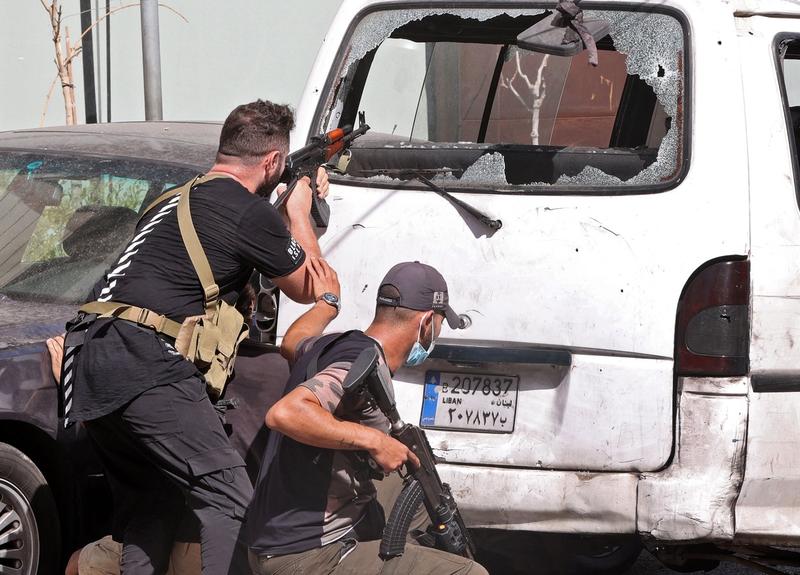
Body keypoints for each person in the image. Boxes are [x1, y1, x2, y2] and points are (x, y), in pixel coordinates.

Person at [63, 99, 328, 575]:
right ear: (272, 162)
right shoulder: (251, 213)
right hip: (146, 362)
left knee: (153, 506)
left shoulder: (169, 199)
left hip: (91, 357)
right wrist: (300, 211)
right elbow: (310, 287)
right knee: (231, 499)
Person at [244, 259, 488, 575]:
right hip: (307, 556)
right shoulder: (360, 362)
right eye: (441, 323)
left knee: (421, 497)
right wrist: (373, 440)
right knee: (470, 574)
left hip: (278, 537)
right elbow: (286, 413)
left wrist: (326, 306)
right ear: (427, 322)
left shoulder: (334, 344)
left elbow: (292, 344)